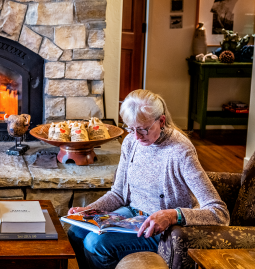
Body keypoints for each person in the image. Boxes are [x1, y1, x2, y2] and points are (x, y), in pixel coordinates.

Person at [67, 89, 230, 269]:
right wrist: (89, 211)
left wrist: (172, 215)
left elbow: (219, 213)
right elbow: (118, 194)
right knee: (76, 231)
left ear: (161, 121)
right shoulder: (131, 142)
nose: (136, 136)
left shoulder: (180, 151)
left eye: (143, 129)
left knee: (95, 243)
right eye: (131, 128)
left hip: (161, 230)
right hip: (131, 217)